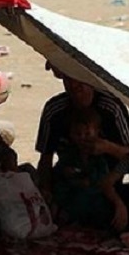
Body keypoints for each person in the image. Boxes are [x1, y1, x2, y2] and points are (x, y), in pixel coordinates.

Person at [36, 63, 129, 201]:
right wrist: (46, 192)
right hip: (67, 189)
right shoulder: (54, 111)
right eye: (68, 79)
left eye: (80, 80)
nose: (74, 85)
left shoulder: (112, 109)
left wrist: (108, 148)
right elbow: (45, 159)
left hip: (109, 188)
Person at [52, 108, 114, 229]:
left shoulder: (99, 156)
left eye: (87, 134)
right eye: (78, 134)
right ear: (71, 134)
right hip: (71, 195)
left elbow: (104, 178)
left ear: (97, 133)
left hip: (94, 198)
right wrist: (66, 173)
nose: (82, 138)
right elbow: (58, 173)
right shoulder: (69, 154)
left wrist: (89, 181)